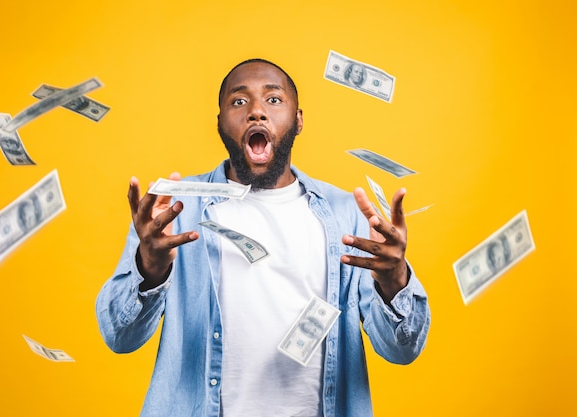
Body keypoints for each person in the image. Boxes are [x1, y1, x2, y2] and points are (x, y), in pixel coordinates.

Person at [96, 58, 430, 417]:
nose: (256, 112)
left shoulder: (348, 214)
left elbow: (402, 350)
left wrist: (395, 280)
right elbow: (120, 337)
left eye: (273, 99)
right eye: (239, 102)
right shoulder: (172, 213)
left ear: (298, 119)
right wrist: (149, 269)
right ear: (220, 122)